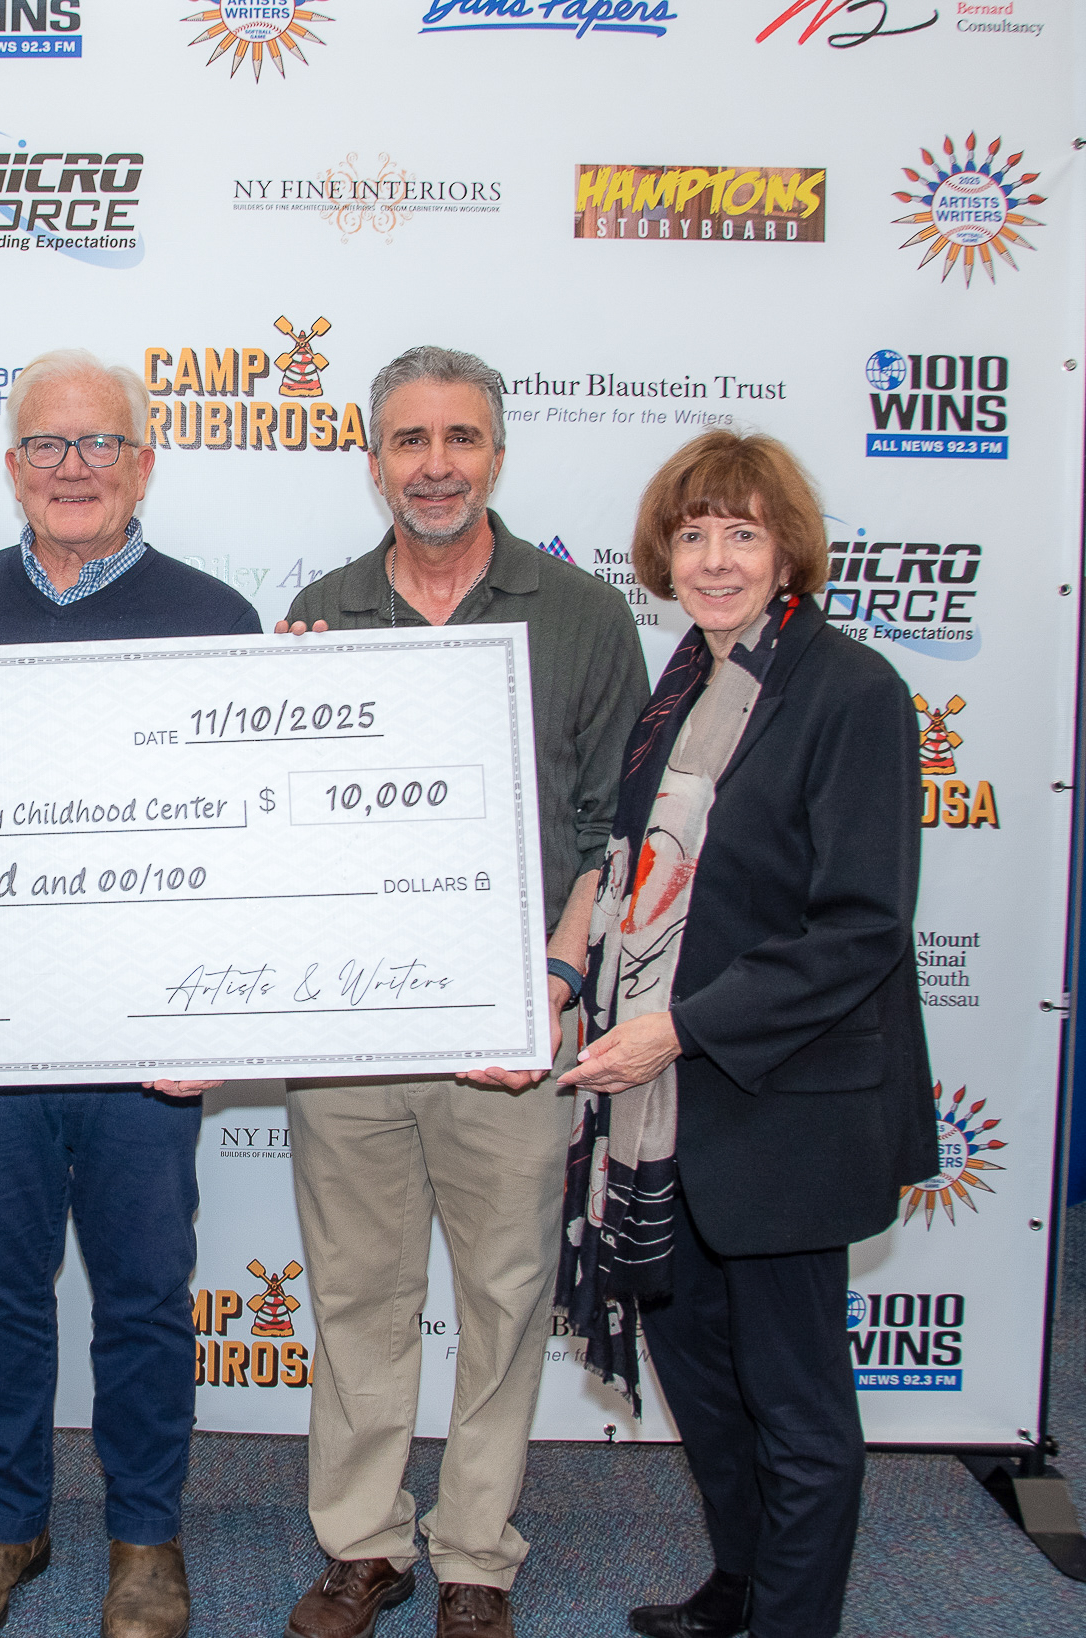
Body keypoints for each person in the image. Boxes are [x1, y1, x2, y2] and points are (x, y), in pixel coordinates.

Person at [273, 345, 650, 1638]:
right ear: (372, 457)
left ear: (498, 453)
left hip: (518, 1025)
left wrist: (553, 980)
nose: (436, 464)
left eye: (462, 438)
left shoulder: (586, 617)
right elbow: (279, 835)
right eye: (411, 439)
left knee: (503, 1296)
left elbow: (619, 834)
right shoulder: (320, 613)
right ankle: (363, 1543)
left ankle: (477, 1551)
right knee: (358, 1296)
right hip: (352, 1031)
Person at [0, 348, 262, 1638]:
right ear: (10, 468)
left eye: (98, 443)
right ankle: (5, 1522)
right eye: (45, 446)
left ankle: (144, 1538)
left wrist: (217, 1007)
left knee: (143, 1289)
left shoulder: (217, 617)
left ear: (143, 462)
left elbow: (245, 840)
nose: (71, 467)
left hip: (145, 1032)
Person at [557, 430, 937, 1638]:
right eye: (691, 533)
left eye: (741, 533)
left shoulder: (849, 689)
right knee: (708, 1392)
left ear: (786, 550)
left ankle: (790, 1621)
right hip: (664, 1116)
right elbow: (634, 880)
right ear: (661, 554)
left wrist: (670, 1029)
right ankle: (740, 1587)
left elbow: (858, 925)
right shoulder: (680, 689)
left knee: (796, 1408)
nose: (713, 559)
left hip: (783, 1106)